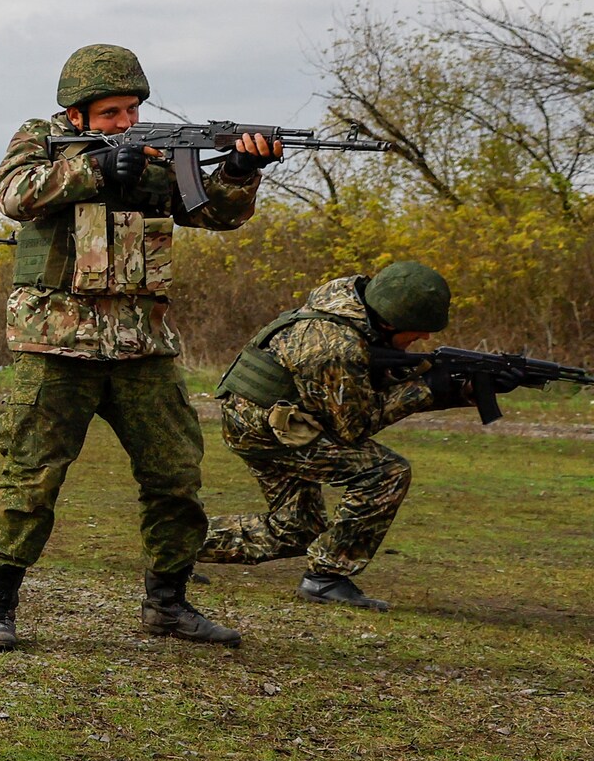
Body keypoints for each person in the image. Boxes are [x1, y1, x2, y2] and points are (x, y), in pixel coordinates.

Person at [0, 44, 277, 652]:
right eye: (111, 113)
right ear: (79, 114)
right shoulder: (39, 137)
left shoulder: (159, 153)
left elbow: (211, 213)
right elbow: (13, 196)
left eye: (132, 110)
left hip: (144, 344)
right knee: (32, 476)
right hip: (57, 342)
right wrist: (96, 171)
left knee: (175, 476)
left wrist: (240, 174)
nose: (125, 123)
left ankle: (168, 603)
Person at [201, 261, 469, 611]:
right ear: (389, 322)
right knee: (385, 473)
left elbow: (356, 385)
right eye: (417, 331)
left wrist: (453, 389)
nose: (425, 339)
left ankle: (173, 543)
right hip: (270, 430)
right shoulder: (333, 345)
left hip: (266, 420)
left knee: (296, 529)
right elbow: (353, 427)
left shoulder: (348, 305)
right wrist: (429, 391)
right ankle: (326, 577)